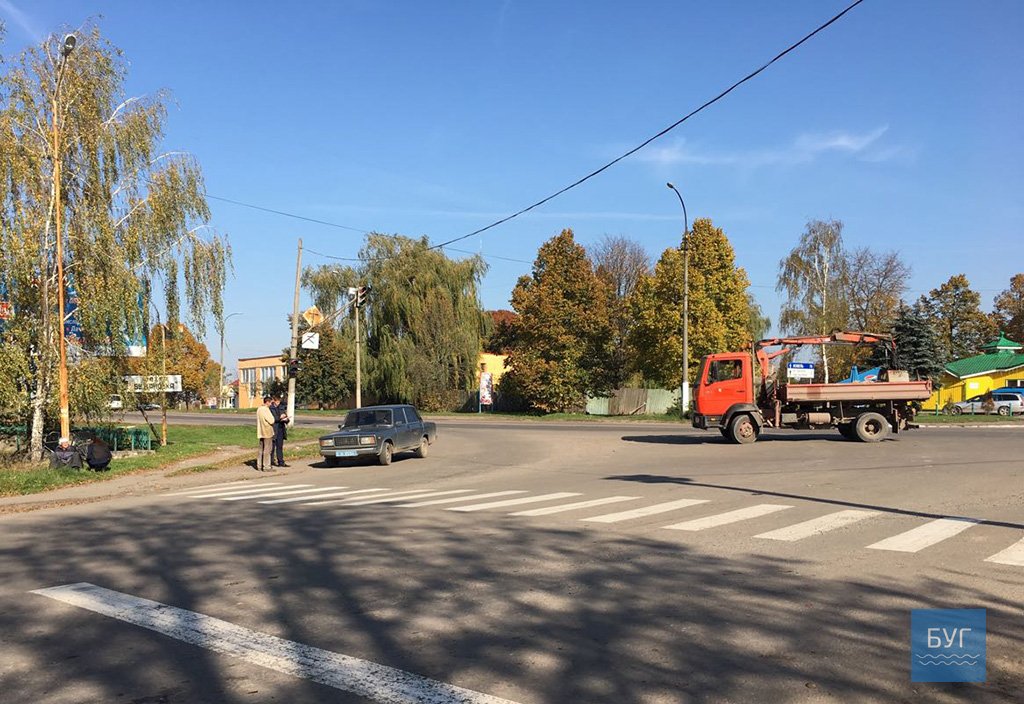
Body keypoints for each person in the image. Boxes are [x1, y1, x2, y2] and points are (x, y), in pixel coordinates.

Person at [256, 396, 276, 471]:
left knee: (261, 449)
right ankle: (266, 466)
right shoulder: (265, 409)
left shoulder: (259, 409)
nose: (271, 404)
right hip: (267, 431)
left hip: (261, 431)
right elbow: (271, 420)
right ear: (267, 402)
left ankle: (259, 465)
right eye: (270, 403)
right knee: (267, 449)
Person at [270, 395, 290, 467]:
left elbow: (286, 417)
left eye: (279, 401)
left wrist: (286, 419)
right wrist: (280, 418)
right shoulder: (270, 408)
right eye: (277, 401)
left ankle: (281, 461)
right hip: (273, 429)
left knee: (280, 446)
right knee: (272, 447)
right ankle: (270, 461)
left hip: (281, 429)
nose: (278, 403)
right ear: (273, 401)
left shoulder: (281, 407)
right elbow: (272, 419)